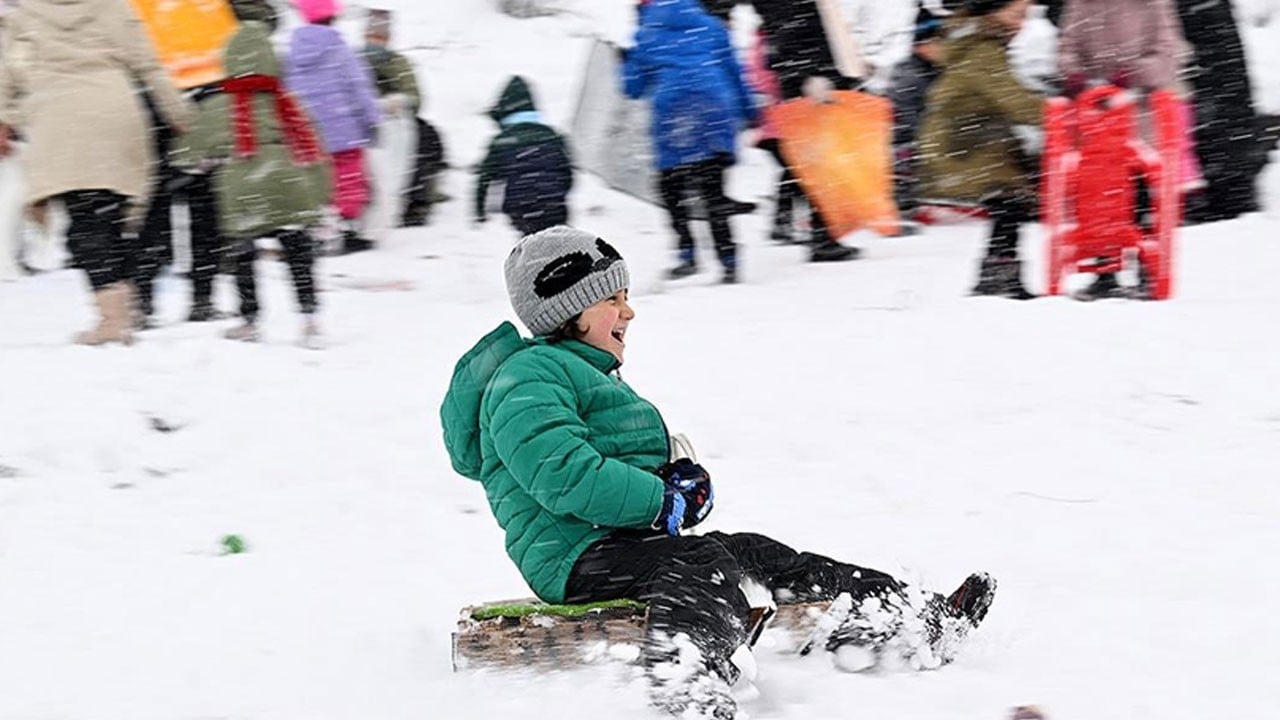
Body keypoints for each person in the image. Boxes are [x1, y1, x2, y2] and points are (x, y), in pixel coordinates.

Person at [440, 224, 997, 719]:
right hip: (575, 555)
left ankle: (902, 615)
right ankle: (686, 683)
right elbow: (562, 473)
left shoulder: (581, 373)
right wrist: (661, 501)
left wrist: (680, 477)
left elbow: (615, 458)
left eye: (627, 296)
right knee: (701, 562)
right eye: (612, 297)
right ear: (569, 308)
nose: (628, 312)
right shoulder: (530, 378)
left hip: (620, 539)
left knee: (753, 552)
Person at [0, 0, 192, 345]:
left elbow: (8, 74)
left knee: (86, 223)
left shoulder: (23, 17)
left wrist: (6, 118)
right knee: (113, 217)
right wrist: (179, 114)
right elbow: (147, 65)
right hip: (115, 111)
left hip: (58, 119)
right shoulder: (112, 7)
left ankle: (112, 318)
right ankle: (126, 308)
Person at [171, 22, 331, 348]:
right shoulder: (288, 101)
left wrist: (200, 162)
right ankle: (310, 319)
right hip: (288, 185)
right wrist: (321, 195)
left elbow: (187, 152)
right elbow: (315, 149)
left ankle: (250, 319)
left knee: (243, 257)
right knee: (298, 254)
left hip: (243, 190)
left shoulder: (217, 106)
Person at [128, 0, 280, 326]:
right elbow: (262, 18)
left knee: (156, 200)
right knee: (208, 201)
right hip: (211, 91)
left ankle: (142, 300)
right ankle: (201, 297)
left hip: (154, 93)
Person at [1056, 0, 1184, 300]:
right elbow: (1067, 47)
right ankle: (1105, 268)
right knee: (1097, 196)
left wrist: (1132, 75)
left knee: (1137, 193)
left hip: (1136, 114)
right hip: (1093, 115)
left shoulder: (1153, 5)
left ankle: (1145, 268)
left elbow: (1167, 53)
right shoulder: (1081, 4)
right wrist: (1077, 75)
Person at [622, 0, 757, 283]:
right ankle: (729, 259)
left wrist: (625, 62)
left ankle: (686, 253)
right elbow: (735, 72)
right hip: (714, 110)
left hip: (674, 115)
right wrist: (750, 110)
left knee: (671, 188)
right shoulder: (711, 25)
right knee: (712, 189)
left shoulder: (647, 33)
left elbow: (632, 88)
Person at [918, 0, 1041, 300]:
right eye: (1016, 15)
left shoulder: (976, 40)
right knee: (1010, 195)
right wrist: (1061, 113)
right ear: (992, 11)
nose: (1021, 24)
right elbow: (1013, 99)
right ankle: (999, 274)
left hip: (968, 135)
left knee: (1011, 197)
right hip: (963, 142)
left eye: (1024, 16)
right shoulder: (982, 49)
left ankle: (997, 271)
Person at [741, 0, 864, 262]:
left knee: (815, 164)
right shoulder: (791, 9)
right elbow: (790, 36)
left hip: (811, 81)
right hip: (810, 86)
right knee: (820, 164)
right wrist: (810, 75)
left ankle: (822, 232)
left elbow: (787, 38)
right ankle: (822, 236)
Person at [284, 0, 381, 255]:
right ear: (333, 17)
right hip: (343, 130)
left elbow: (285, 91)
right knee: (348, 179)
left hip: (306, 132)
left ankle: (316, 230)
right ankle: (346, 230)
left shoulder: (291, 54)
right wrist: (372, 119)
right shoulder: (340, 50)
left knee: (314, 181)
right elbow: (359, 87)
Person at [473, 76, 574, 236]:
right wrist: (557, 194)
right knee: (560, 246)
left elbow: (484, 179)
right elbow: (568, 174)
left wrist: (479, 211)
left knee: (531, 247)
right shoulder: (553, 136)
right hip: (555, 206)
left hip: (521, 207)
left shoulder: (501, 141)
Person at [887, 5, 947, 220]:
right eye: (939, 43)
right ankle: (901, 202)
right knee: (906, 154)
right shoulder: (909, 76)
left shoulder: (934, 70)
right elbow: (907, 121)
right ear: (920, 46)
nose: (945, 48)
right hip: (902, 141)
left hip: (923, 136)